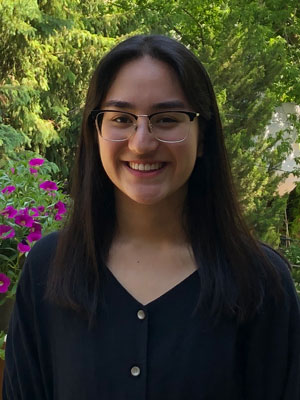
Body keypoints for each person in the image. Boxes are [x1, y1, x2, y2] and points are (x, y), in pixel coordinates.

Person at [3, 34, 300, 400]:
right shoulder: (48, 269)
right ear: (96, 131)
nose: (141, 142)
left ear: (201, 135)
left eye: (167, 119)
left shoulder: (260, 281)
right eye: (122, 118)